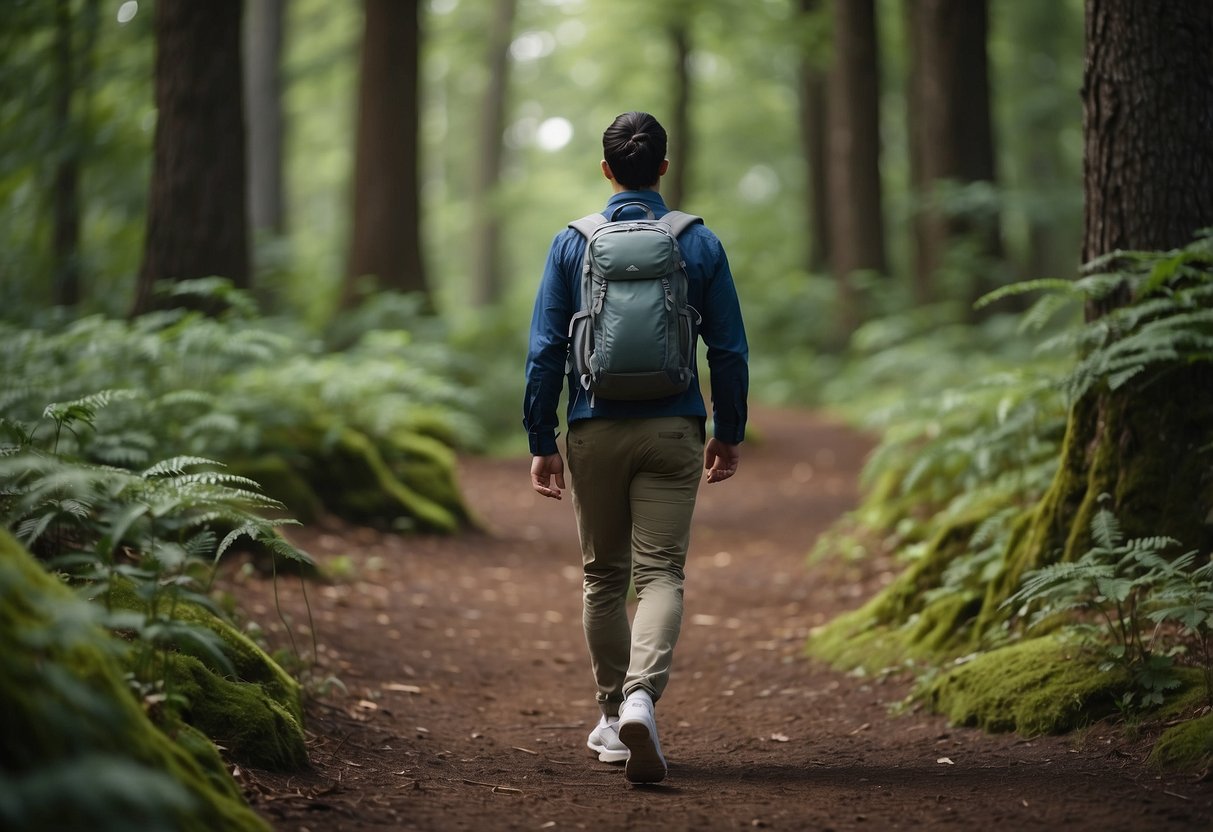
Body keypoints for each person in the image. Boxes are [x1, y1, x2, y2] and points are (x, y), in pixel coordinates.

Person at [523, 111, 749, 784]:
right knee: (659, 574)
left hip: (592, 427)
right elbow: (729, 348)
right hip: (672, 427)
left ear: (605, 170)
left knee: (602, 577)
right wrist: (728, 430)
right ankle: (641, 699)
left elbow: (544, 351)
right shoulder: (696, 242)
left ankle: (608, 714)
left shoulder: (572, 244)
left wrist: (541, 437)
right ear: (662, 167)